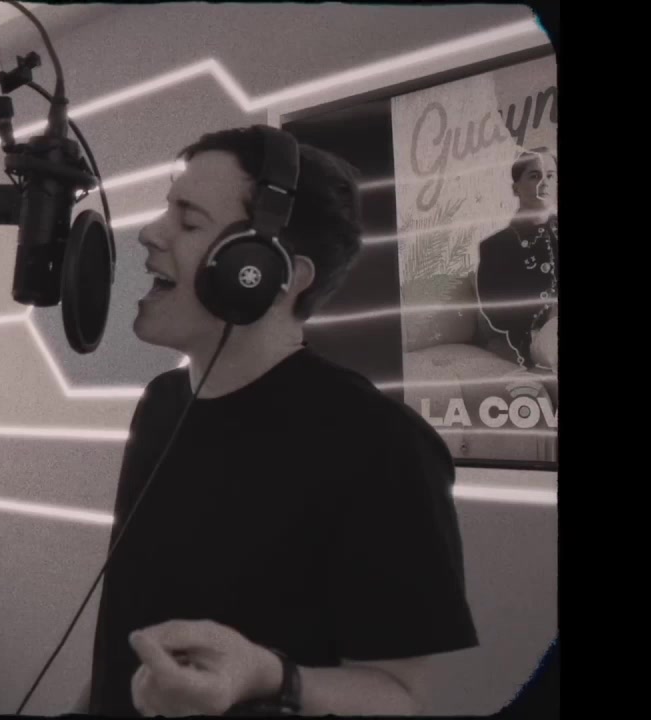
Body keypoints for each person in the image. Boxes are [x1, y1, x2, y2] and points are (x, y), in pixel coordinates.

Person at [77, 126, 479, 716]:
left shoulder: (380, 443)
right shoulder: (160, 403)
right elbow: (130, 634)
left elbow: (400, 695)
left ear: (265, 271)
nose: (150, 233)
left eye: (188, 222)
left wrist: (271, 677)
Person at [474, 147, 558, 374]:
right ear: (516, 188)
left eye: (550, 176)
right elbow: (496, 312)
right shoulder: (496, 246)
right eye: (534, 176)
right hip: (535, 338)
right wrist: (546, 314)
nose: (544, 183)